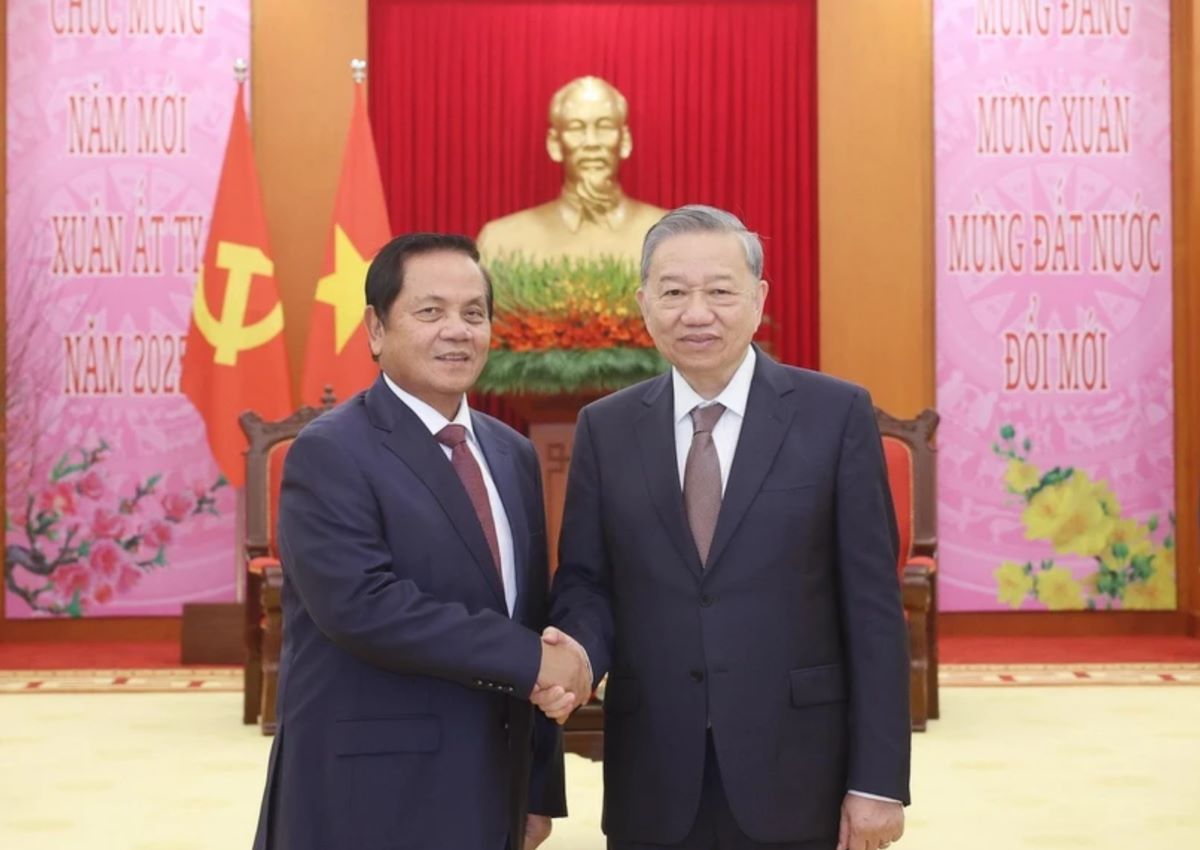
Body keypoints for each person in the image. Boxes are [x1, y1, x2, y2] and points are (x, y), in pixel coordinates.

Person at [539, 206, 911, 850]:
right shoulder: (607, 427)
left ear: (758, 299)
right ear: (644, 302)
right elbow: (586, 583)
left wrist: (878, 782)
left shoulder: (834, 414)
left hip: (797, 766)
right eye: (675, 292)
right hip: (652, 767)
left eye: (719, 291)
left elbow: (873, 608)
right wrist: (575, 653)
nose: (696, 312)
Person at [252, 233, 589, 850]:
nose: (457, 330)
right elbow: (364, 607)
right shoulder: (331, 451)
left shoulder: (511, 453)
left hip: (493, 785)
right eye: (430, 311)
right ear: (376, 330)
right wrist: (532, 659)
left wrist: (538, 788)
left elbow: (529, 612)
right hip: (369, 791)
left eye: (473, 313)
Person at [477, 75, 666, 265]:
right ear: (554, 144)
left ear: (625, 140)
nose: (591, 142)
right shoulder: (502, 242)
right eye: (576, 128)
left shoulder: (672, 236)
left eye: (604, 126)